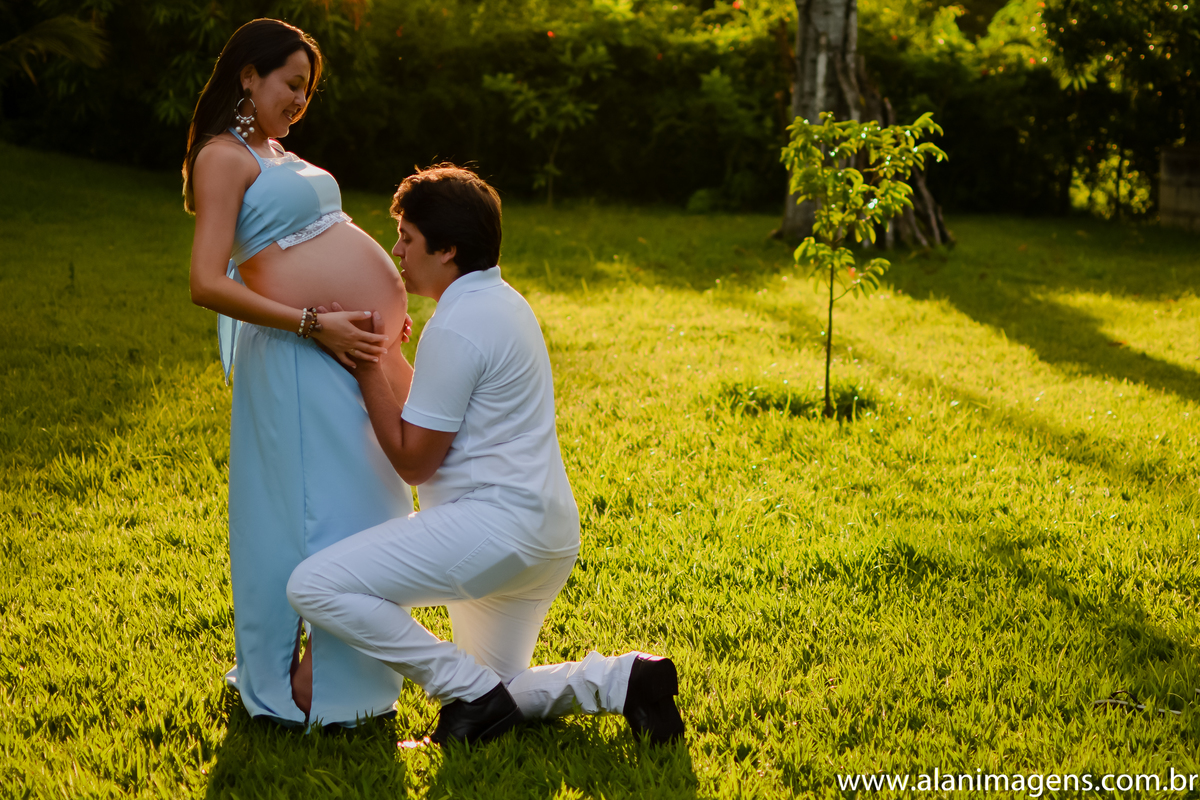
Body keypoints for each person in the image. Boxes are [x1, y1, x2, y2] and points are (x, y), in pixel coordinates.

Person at [286, 165, 685, 746]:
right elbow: (444, 414)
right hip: (540, 534)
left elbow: (414, 461)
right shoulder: (499, 302)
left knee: (314, 586)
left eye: (408, 238)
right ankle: (625, 680)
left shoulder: (459, 323)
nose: (397, 250)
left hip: (492, 531)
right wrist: (392, 362)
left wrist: (368, 361)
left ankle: (461, 690)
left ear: (447, 249)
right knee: (506, 689)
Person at [184, 18, 413, 726]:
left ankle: (341, 675)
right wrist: (318, 323)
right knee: (313, 516)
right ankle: (293, 684)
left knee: (371, 508)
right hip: (295, 357)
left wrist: (378, 311)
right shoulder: (225, 157)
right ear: (248, 74)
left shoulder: (274, 150)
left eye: (308, 90)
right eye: (292, 83)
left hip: (340, 354)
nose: (300, 100)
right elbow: (204, 281)